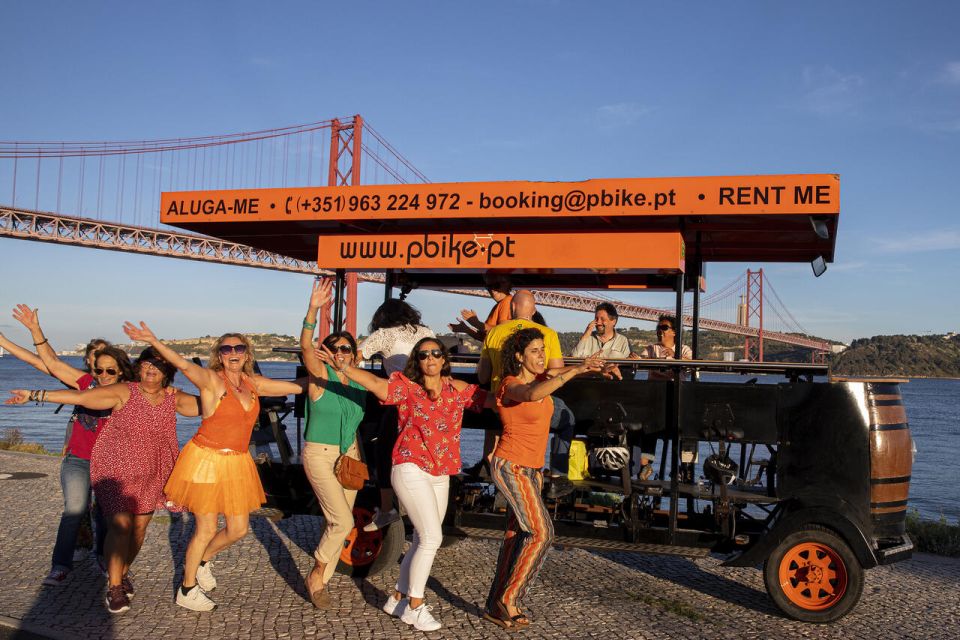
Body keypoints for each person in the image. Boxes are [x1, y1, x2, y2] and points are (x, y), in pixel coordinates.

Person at [122, 321, 306, 612]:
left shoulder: (252, 383)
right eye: (226, 348)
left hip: (236, 461)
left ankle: (203, 562)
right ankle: (187, 588)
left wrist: (333, 376)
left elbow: (298, 385)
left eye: (239, 347)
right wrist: (154, 341)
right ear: (220, 355)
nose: (233, 352)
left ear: (247, 354)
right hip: (206, 459)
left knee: (238, 529)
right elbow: (182, 364)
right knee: (206, 528)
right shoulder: (212, 381)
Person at [6, 346, 200, 614]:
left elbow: (209, 403)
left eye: (157, 364)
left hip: (153, 471)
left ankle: (120, 572)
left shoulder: (173, 398)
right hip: (115, 467)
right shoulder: (125, 391)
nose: (150, 369)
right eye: (146, 364)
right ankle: (115, 587)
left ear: (168, 370)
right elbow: (82, 397)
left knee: (139, 529)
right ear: (138, 367)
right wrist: (35, 395)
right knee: (120, 526)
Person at [315, 336, 489, 632]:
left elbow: (496, 401)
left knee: (424, 539)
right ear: (417, 361)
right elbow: (375, 384)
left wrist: (540, 388)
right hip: (409, 467)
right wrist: (344, 367)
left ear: (444, 359)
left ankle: (397, 597)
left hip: (440, 471)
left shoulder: (458, 389)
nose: (430, 358)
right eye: (423, 355)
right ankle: (415, 606)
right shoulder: (408, 388)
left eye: (436, 353)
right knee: (432, 537)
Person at [483, 328, 601, 630]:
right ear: (520, 356)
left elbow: (548, 383)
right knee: (541, 533)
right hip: (510, 466)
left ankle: (494, 604)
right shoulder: (510, 385)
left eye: (543, 350)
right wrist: (575, 370)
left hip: (533, 470)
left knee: (516, 535)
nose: (541, 355)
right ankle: (509, 599)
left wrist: (593, 368)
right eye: (535, 350)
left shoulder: (540, 380)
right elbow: (532, 395)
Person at [1, 307, 127, 585]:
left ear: (119, 367)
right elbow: (49, 363)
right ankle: (61, 565)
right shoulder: (84, 383)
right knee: (74, 510)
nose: (102, 372)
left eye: (108, 367)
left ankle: (104, 559)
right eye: (97, 365)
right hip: (78, 460)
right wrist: (33, 329)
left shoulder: (128, 391)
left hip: (109, 463)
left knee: (107, 516)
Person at [299, 279, 369, 608]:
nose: (340, 353)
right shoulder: (320, 377)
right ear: (325, 352)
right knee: (343, 521)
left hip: (349, 455)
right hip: (319, 455)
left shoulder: (359, 383)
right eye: (334, 348)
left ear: (354, 355)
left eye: (345, 349)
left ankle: (320, 582)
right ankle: (316, 574)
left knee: (336, 520)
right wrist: (312, 309)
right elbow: (304, 347)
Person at [475, 291, 572, 487]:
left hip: (499, 407)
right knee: (567, 418)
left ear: (512, 308)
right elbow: (555, 371)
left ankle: (491, 466)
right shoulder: (548, 333)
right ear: (534, 310)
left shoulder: (494, 332)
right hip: (530, 407)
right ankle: (558, 475)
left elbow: (483, 377)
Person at [357, 298, 435, 532]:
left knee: (384, 451)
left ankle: (387, 509)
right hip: (428, 399)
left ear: (382, 317)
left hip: (401, 400)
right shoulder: (426, 331)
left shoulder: (384, 334)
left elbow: (355, 357)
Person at [629, 314, 693, 479]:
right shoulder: (651, 349)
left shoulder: (684, 349)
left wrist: (673, 354)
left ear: (674, 332)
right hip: (654, 396)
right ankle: (645, 465)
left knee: (683, 428)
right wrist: (635, 359)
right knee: (647, 425)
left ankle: (684, 468)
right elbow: (642, 359)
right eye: (658, 328)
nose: (660, 331)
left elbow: (690, 364)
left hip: (675, 395)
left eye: (664, 328)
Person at [448, 274, 513, 342]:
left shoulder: (506, 302)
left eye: (496, 285)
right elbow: (486, 338)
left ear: (507, 284)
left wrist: (476, 323)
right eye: (488, 286)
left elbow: (503, 333)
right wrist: (466, 329)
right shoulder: (500, 304)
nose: (492, 289)